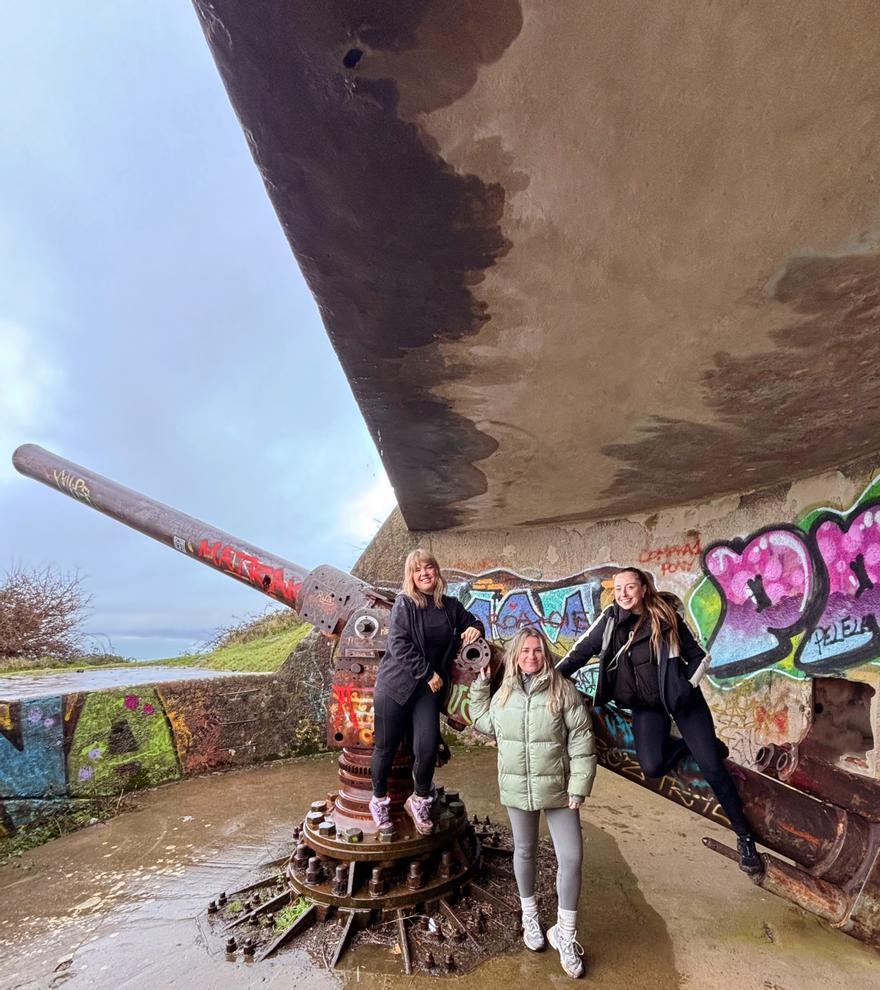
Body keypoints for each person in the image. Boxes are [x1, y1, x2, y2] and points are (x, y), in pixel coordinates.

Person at [556, 567, 763, 875]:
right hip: (647, 707)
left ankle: (745, 838)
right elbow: (579, 653)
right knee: (652, 766)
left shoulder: (666, 617)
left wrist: (686, 686)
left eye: (630, 587)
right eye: (618, 588)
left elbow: (700, 656)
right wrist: (548, 680)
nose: (623, 594)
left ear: (643, 589)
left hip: (683, 703)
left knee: (712, 768)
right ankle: (687, 746)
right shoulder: (610, 621)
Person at [470, 626, 596, 979]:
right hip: (517, 787)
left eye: (537, 650)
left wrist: (579, 786)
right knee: (524, 851)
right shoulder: (504, 693)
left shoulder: (563, 690)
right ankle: (531, 918)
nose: (531, 656)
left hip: (558, 789)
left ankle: (565, 934)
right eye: (524, 651)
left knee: (571, 858)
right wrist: (481, 685)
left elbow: (582, 740)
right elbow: (483, 721)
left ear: (546, 655)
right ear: (515, 656)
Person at [370, 548, 484, 835]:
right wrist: (427, 672)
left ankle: (419, 799)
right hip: (396, 686)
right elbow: (398, 644)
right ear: (411, 576)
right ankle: (379, 801)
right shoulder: (405, 604)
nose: (424, 574)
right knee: (385, 747)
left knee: (427, 746)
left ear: (436, 571)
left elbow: (473, 622)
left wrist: (476, 629)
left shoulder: (450, 606)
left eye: (428, 567)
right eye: (417, 570)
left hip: (427, 691)